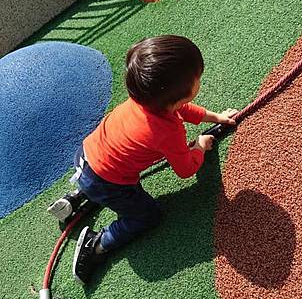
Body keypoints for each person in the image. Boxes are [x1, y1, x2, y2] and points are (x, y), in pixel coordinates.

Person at [48, 36, 238, 284]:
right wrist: (200, 147)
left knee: (102, 174)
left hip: (87, 156)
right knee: (147, 216)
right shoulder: (167, 131)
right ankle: (97, 244)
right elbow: (186, 169)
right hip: (109, 182)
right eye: (198, 78)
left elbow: (182, 109)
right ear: (178, 97)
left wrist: (216, 118)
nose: (199, 79)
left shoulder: (145, 100)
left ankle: (78, 197)